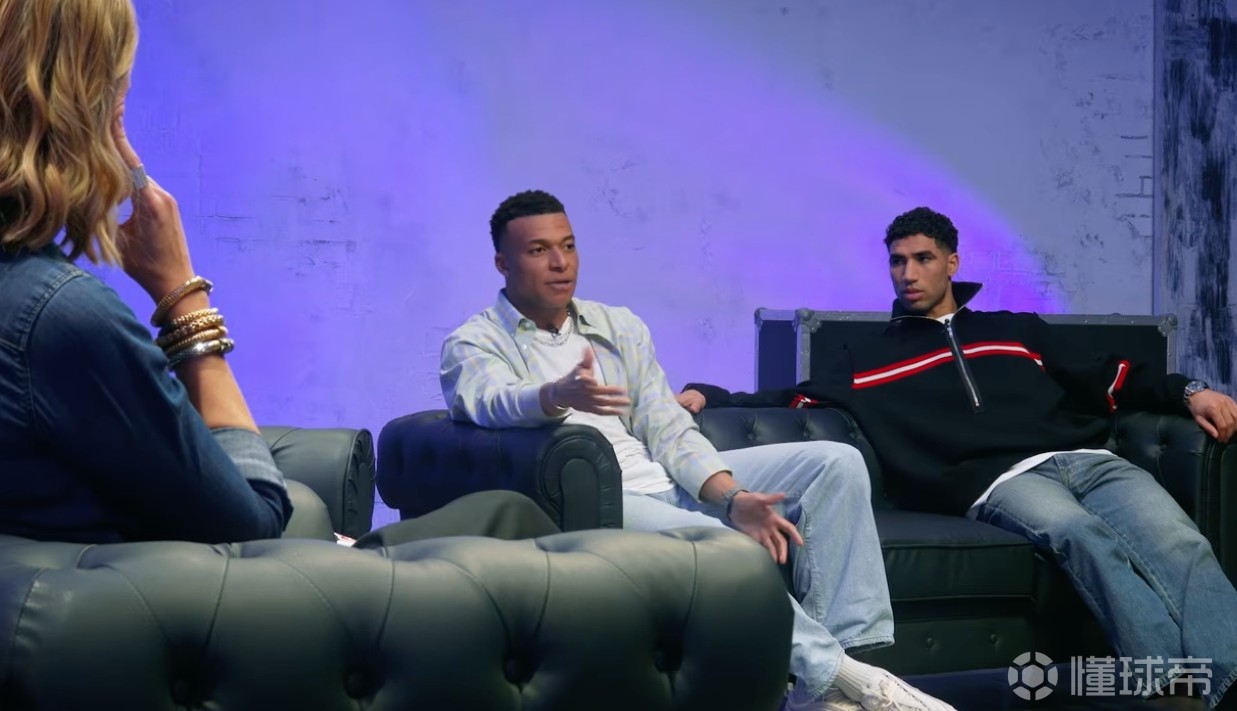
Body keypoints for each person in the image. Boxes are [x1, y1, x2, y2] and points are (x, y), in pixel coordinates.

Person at [0, 0, 557, 549]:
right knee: (507, 516)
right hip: (219, 591)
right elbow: (253, 520)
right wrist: (182, 296)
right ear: (93, 106)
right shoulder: (59, 317)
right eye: (121, 84)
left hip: (140, 572)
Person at [679, 206, 1237, 710]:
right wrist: (709, 395)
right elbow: (789, 398)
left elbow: (1111, 375)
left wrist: (1191, 392)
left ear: (952, 263)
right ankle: (1174, 691)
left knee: (1180, 542)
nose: (908, 273)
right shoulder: (869, 359)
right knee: (1082, 535)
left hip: (1087, 458)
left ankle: (1227, 680)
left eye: (923, 259)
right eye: (897, 261)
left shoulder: (1014, 330)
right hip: (1000, 481)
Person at [440, 189, 956, 711]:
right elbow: (488, 401)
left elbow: (666, 426)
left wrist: (732, 497)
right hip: (599, 499)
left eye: (568, 246)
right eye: (539, 251)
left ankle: (826, 685)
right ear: (502, 263)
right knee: (721, 547)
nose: (560, 263)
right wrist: (555, 395)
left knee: (835, 463)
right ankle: (854, 680)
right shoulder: (474, 342)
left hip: (660, 476)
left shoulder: (615, 325)